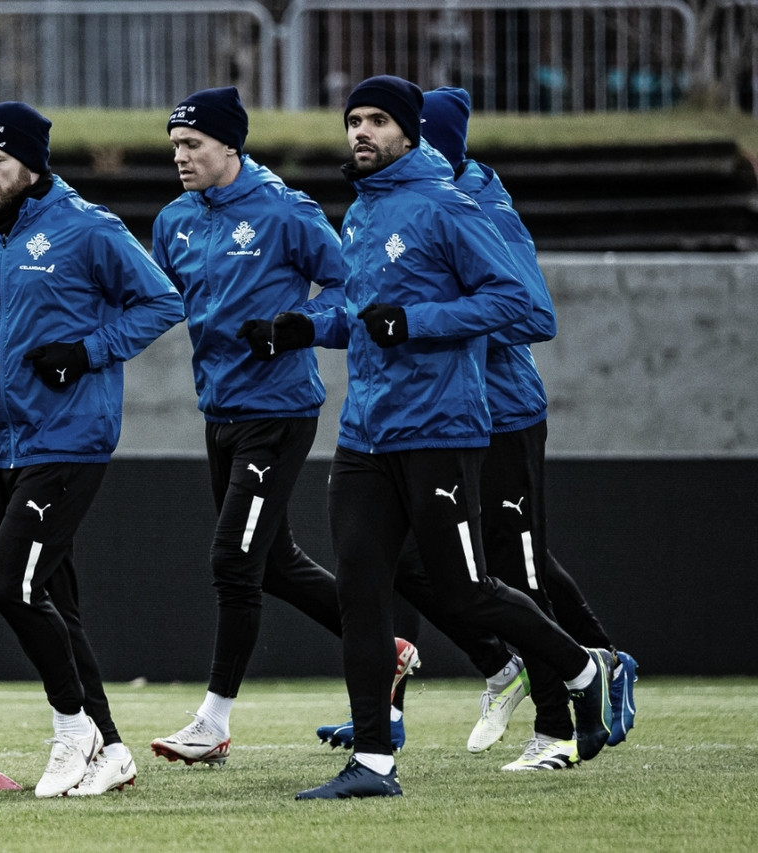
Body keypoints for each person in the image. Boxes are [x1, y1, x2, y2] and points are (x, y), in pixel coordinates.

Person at [279, 75, 614, 800]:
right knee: (363, 594)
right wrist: (303, 326)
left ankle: (585, 668)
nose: (360, 132)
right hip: (365, 435)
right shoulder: (364, 212)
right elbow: (364, 312)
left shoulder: (447, 206)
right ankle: (372, 764)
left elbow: (522, 305)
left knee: (467, 590)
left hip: (440, 431)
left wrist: (419, 321)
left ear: (409, 132)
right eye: (353, 120)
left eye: (376, 121)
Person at [0, 101, 184, 797]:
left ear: (32, 162)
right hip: (1, 443)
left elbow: (161, 301)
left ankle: (71, 730)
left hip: (69, 439)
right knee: (56, 602)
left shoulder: (87, 228)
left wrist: (87, 351)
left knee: (11, 584)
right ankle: (113, 747)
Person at [144, 86, 421, 770]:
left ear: (230, 145)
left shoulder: (285, 211)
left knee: (233, 562)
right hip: (221, 412)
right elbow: (156, 301)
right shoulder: (175, 220)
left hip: (280, 410)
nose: (180, 156)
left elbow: (351, 288)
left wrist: (290, 330)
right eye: (174, 145)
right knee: (272, 563)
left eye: (192, 145)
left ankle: (213, 723)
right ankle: (388, 650)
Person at [419, 86, 638, 768]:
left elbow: (535, 316)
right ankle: (598, 662)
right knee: (464, 561)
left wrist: (452, 311)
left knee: (517, 565)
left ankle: (560, 724)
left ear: (442, 147)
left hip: (505, 413)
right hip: (454, 415)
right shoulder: (423, 206)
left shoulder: (485, 212)